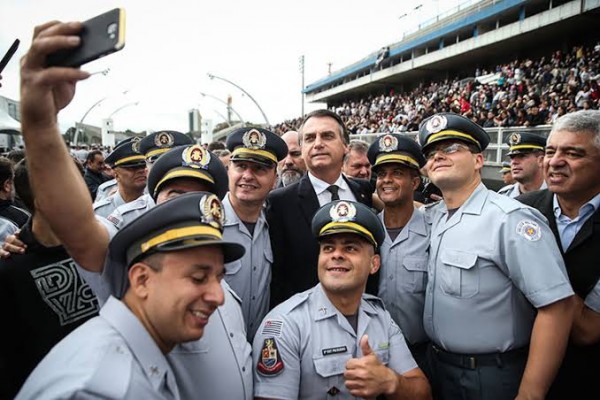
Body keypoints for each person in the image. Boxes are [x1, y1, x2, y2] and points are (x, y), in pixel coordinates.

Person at [18, 21, 252, 400]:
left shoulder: (216, 283)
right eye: (176, 194)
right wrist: (42, 124)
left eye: (202, 197)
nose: (190, 207)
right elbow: (75, 223)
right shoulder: (129, 259)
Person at [16, 191, 245, 399]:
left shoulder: (137, 357)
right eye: (198, 278)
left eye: (219, 278)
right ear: (141, 280)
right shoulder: (98, 390)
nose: (218, 297)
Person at [418, 112, 574, 400]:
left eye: (451, 148)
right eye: (430, 153)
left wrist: (530, 393)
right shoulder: (432, 217)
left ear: (479, 160)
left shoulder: (509, 219)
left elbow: (557, 307)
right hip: (438, 367)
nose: (438, 156)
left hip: (489, 375)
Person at [253, 200, 432, 400]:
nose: (337, 255)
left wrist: (391, 381)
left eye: (350, 248)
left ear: (374, 264)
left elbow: (422, 392)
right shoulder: (286, 325)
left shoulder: (380, 317)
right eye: (328, 248)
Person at [516, 109, 600, 400]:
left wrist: (539, 259)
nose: (555, 162)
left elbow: (587, 329)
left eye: (573, 153)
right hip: (513, 372)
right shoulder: (519, 211)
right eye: (550, 151)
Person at [0, 158, 100, 398]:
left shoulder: (108, 243)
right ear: (44, 200)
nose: (85, 192)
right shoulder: (10, 270)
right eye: (74, 185)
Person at [268, 109, 374, 308]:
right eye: (309, 138)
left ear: (345, 147)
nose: (318, 144)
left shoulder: (364, 192)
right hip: (305, 321)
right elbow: (278, 277)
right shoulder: (280, 202)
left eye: (327, 136)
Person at [366, 134, 432, 377]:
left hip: (422, 355)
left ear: (415, 183)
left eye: (397, 173)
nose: (387, 180)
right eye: (381, 174)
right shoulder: (367, 233)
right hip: (373, 353)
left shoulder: (434, 229)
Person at [224, 127, 287, 340]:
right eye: (240, 166)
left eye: (259, 169)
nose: (247, 176)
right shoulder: (205, 224)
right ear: (228, 170)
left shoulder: (276, 224)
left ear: (274, 179)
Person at [93, 137, 147, 218]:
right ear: (116, 174)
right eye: (132, 167)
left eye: (143, 166)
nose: (141, 171)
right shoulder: (100, 212)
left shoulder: (155, 204)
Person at [497, 132, 546, 198]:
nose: (514, 162)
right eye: (512, 157)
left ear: (541, 160)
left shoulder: (558, 196)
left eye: (522, 156)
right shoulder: (504, 196)